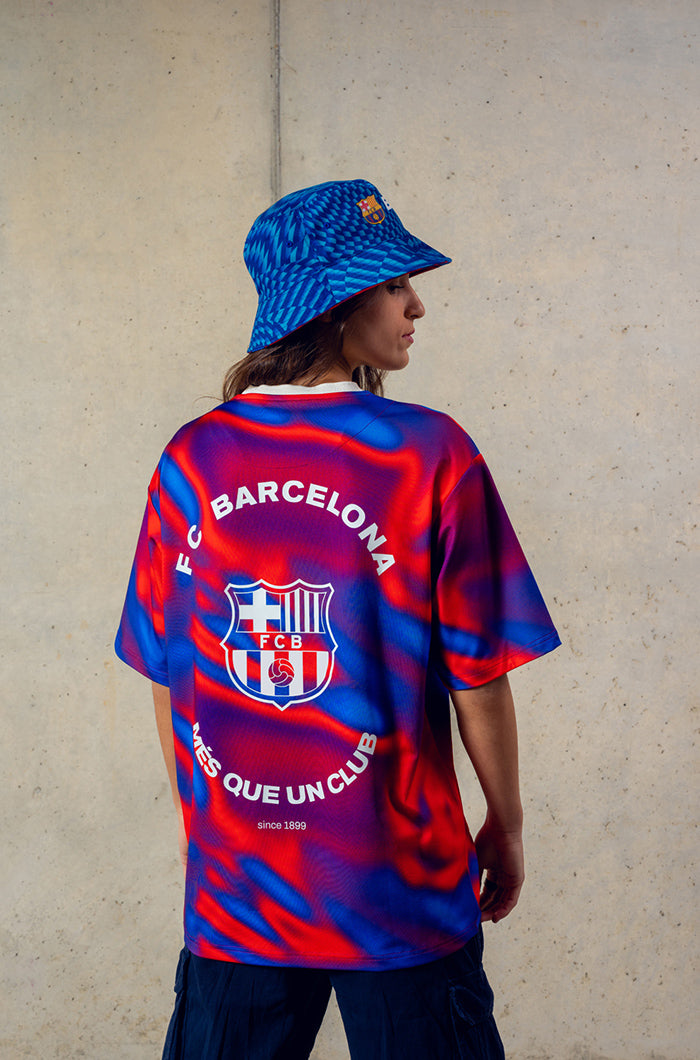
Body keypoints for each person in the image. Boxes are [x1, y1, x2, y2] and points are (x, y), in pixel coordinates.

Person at [115, 178, 560, 1059]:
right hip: (398, 887)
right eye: (395, 284)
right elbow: (478, 675)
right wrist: (506, 824)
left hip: (242, 887)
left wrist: (201, 830)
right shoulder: (427, 452)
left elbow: (169, 675)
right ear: (338, 302)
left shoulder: (191, 458)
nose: (416, 305)